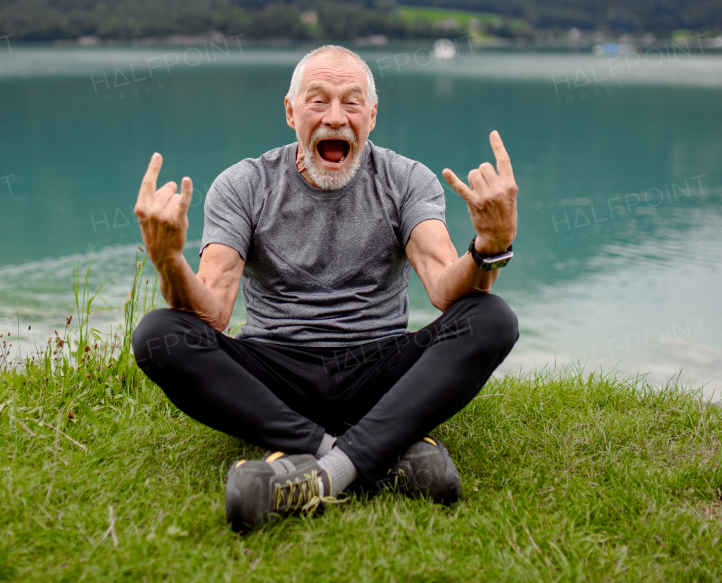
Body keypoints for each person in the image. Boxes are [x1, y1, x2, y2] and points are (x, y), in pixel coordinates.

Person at [131, 44, 519, 531]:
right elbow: (211, 312)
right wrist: (168, 260)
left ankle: (316, 467)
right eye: (318, 101)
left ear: (372, 116)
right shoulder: (244, 184)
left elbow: (445, 287)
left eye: (352, 103)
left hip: (379, 371)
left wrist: (490, 245)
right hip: (274, 371)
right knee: (158, 334)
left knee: (492, 317)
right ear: (291, 111)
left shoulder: (406, 179)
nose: (335, 118)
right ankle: (373, 455)